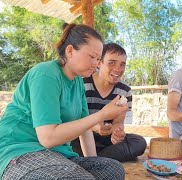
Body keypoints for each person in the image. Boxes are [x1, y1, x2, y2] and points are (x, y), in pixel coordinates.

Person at [0, 23, 128, 180]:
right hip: (23, 151)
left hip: (58, 155)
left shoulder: (78, 83)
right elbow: (48, 138)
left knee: (113, 169)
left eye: (98, 59)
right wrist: (102, 115)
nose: (96, 64)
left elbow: (85, 129)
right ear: (70, 51)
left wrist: (93, 162)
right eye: (92, 57)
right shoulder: (46, 74)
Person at [71, 43, 147, 162]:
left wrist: (117, 133)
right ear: (99, 63)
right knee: (69, 143)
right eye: (112, 62)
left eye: (122, 64)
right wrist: (96, 127)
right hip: (81, 137)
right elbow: (73, 122)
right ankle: (99, 160)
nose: (118, 69)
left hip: (106, 141)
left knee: (139, 142)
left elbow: (118, 123)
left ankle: (93, 160)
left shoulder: (125, 91)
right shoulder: (82, 85)